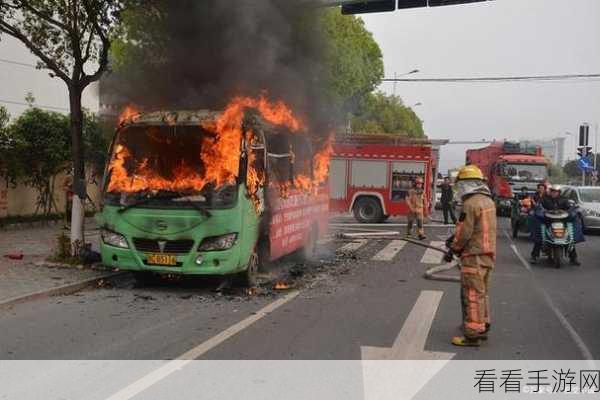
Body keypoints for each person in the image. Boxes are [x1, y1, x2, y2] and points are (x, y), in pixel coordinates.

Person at [444, 165, 497, 347]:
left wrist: (454, 248)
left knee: (472, 295)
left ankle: (472, 335)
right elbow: (478, 228)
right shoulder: (488, 202)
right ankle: (483, 325)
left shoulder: (470, 204)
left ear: (466, 184)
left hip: (473, 255)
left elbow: (464, 232)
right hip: (487, 255)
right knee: (482, 293)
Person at [530, 184, 580, 265]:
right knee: (539, 235)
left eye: (556, 192)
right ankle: (534, 256)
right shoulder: (544, 199)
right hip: (548, 221)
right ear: (550, 192)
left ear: (559, 192)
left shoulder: (564, 200)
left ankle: (574, 258)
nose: (554, 193)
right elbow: (539, 206)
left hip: (562, 221)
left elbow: (569, 208)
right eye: (553, 191)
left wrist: (571, 210)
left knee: (570, 238)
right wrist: (540, 210)